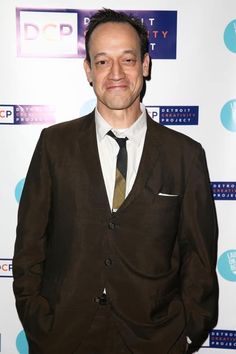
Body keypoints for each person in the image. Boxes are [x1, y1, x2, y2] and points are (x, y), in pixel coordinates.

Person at [13, 8, 218, 354]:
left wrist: (185, 332)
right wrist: (39, 321)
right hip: (64, 336)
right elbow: (30, 245)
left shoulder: (185, 155)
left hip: (156, 340)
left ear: (146, 65)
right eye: (103, 61)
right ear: (88, 71)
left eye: (128, 59)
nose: (117, 73)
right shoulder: (54, 145)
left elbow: (198, 256)